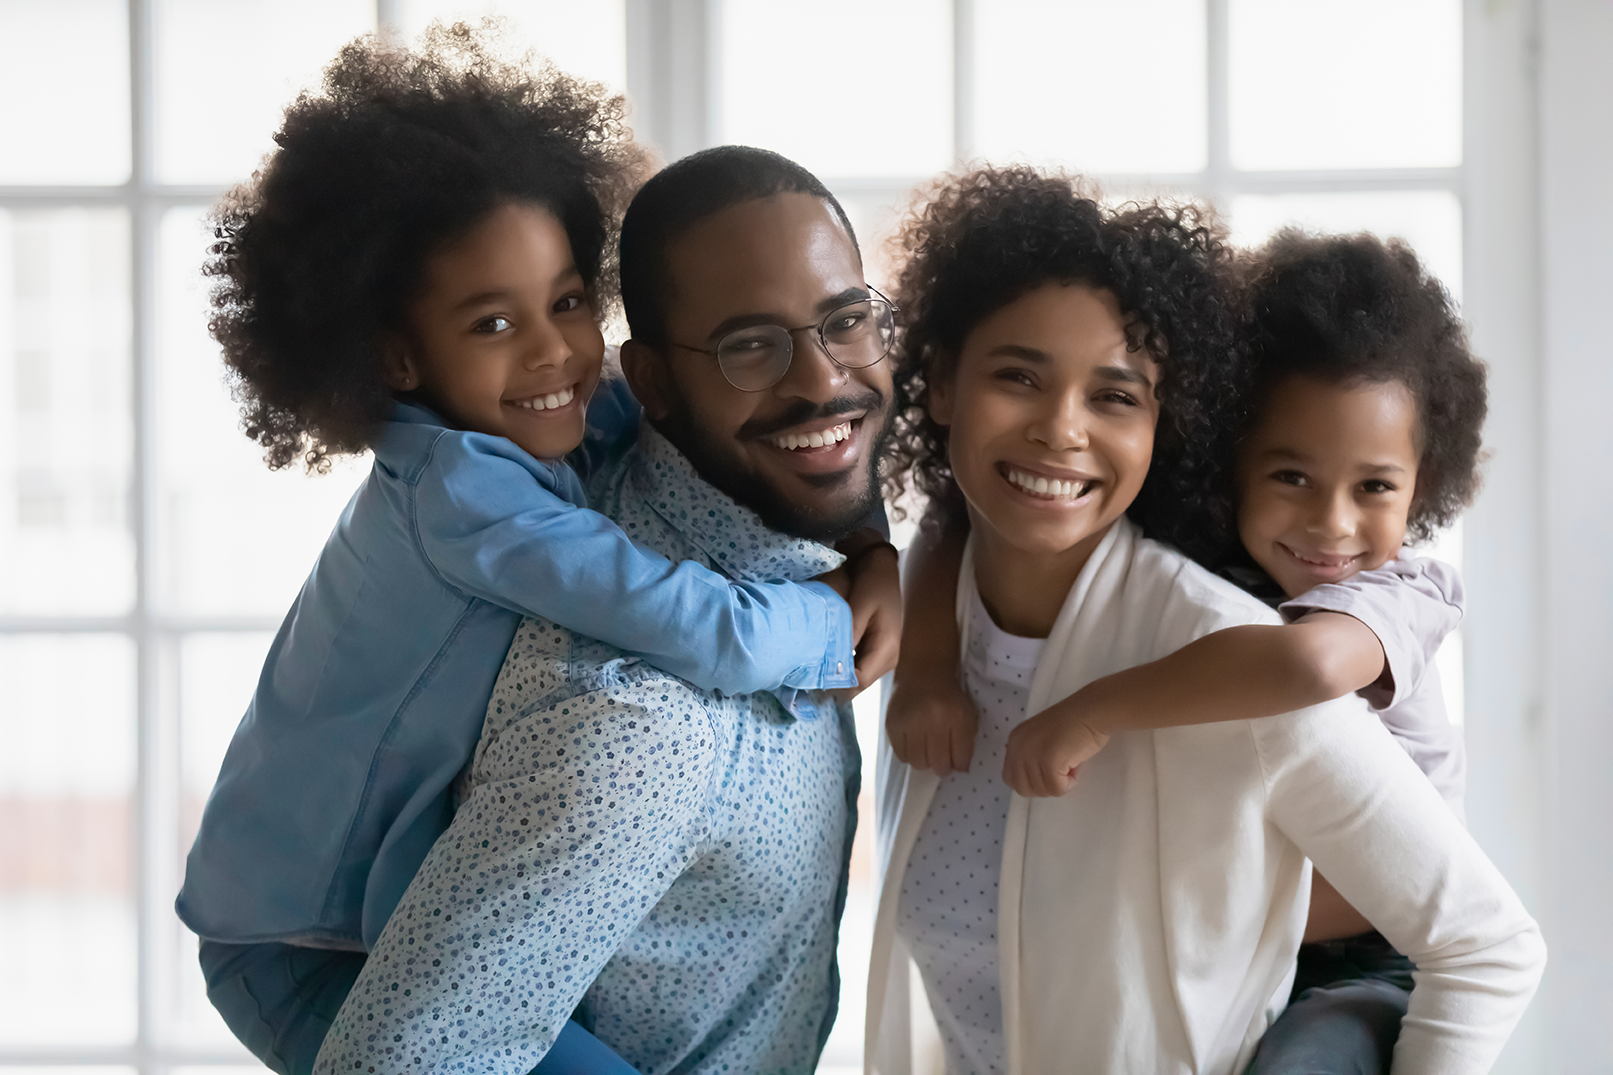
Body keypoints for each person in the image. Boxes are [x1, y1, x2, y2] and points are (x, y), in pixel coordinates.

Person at [174, 31, 896, 1075]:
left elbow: (781, 427)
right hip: (296, 940)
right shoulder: (473, 501)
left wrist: (874, 547)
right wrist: (836, 622)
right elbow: (687, 622)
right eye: (492, 322)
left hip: (370, 903)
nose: (554, 352)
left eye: (566, 303)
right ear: (396, 355)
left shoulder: (555, 419)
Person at [868, 166, 1543, 1075]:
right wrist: (925, 667)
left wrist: (1093, 709)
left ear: (1161, 422)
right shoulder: (937, 610)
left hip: (1361, 960)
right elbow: (951, 513)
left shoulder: (1252, 653)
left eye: (1113, 394)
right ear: (941, 382)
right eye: (1017, 376)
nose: (1061, 429)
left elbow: (1486, 945)